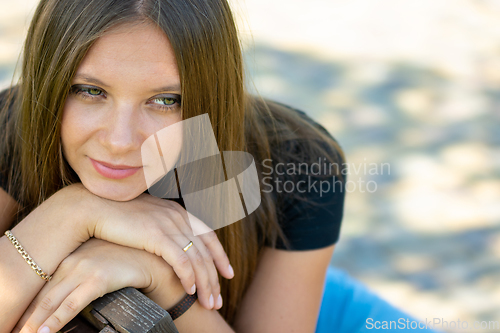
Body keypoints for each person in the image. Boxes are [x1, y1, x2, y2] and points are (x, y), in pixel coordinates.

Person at [0, 1, 439, 332]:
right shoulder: (11, 128)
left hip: (309, 298)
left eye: (166, 100)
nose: (119, 140)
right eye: (89, 91)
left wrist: (164, 279)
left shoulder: (297, 161)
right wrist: (76, 212)